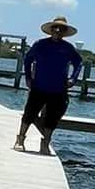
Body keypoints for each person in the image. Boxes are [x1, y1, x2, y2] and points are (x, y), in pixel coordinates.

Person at [15, 16, 82, 154]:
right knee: (29, 113)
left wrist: (73, 79)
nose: (57, 31)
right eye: (55, 28)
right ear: (51, 30)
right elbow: (28, 60)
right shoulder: (40, 44)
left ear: (64, 32)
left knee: (53, 117)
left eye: (61, 29)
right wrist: (28, 77)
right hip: (39, 85)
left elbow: (78, 63)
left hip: (58, 88)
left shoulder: (68, 48)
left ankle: (45, 143)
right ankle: (20, 139)